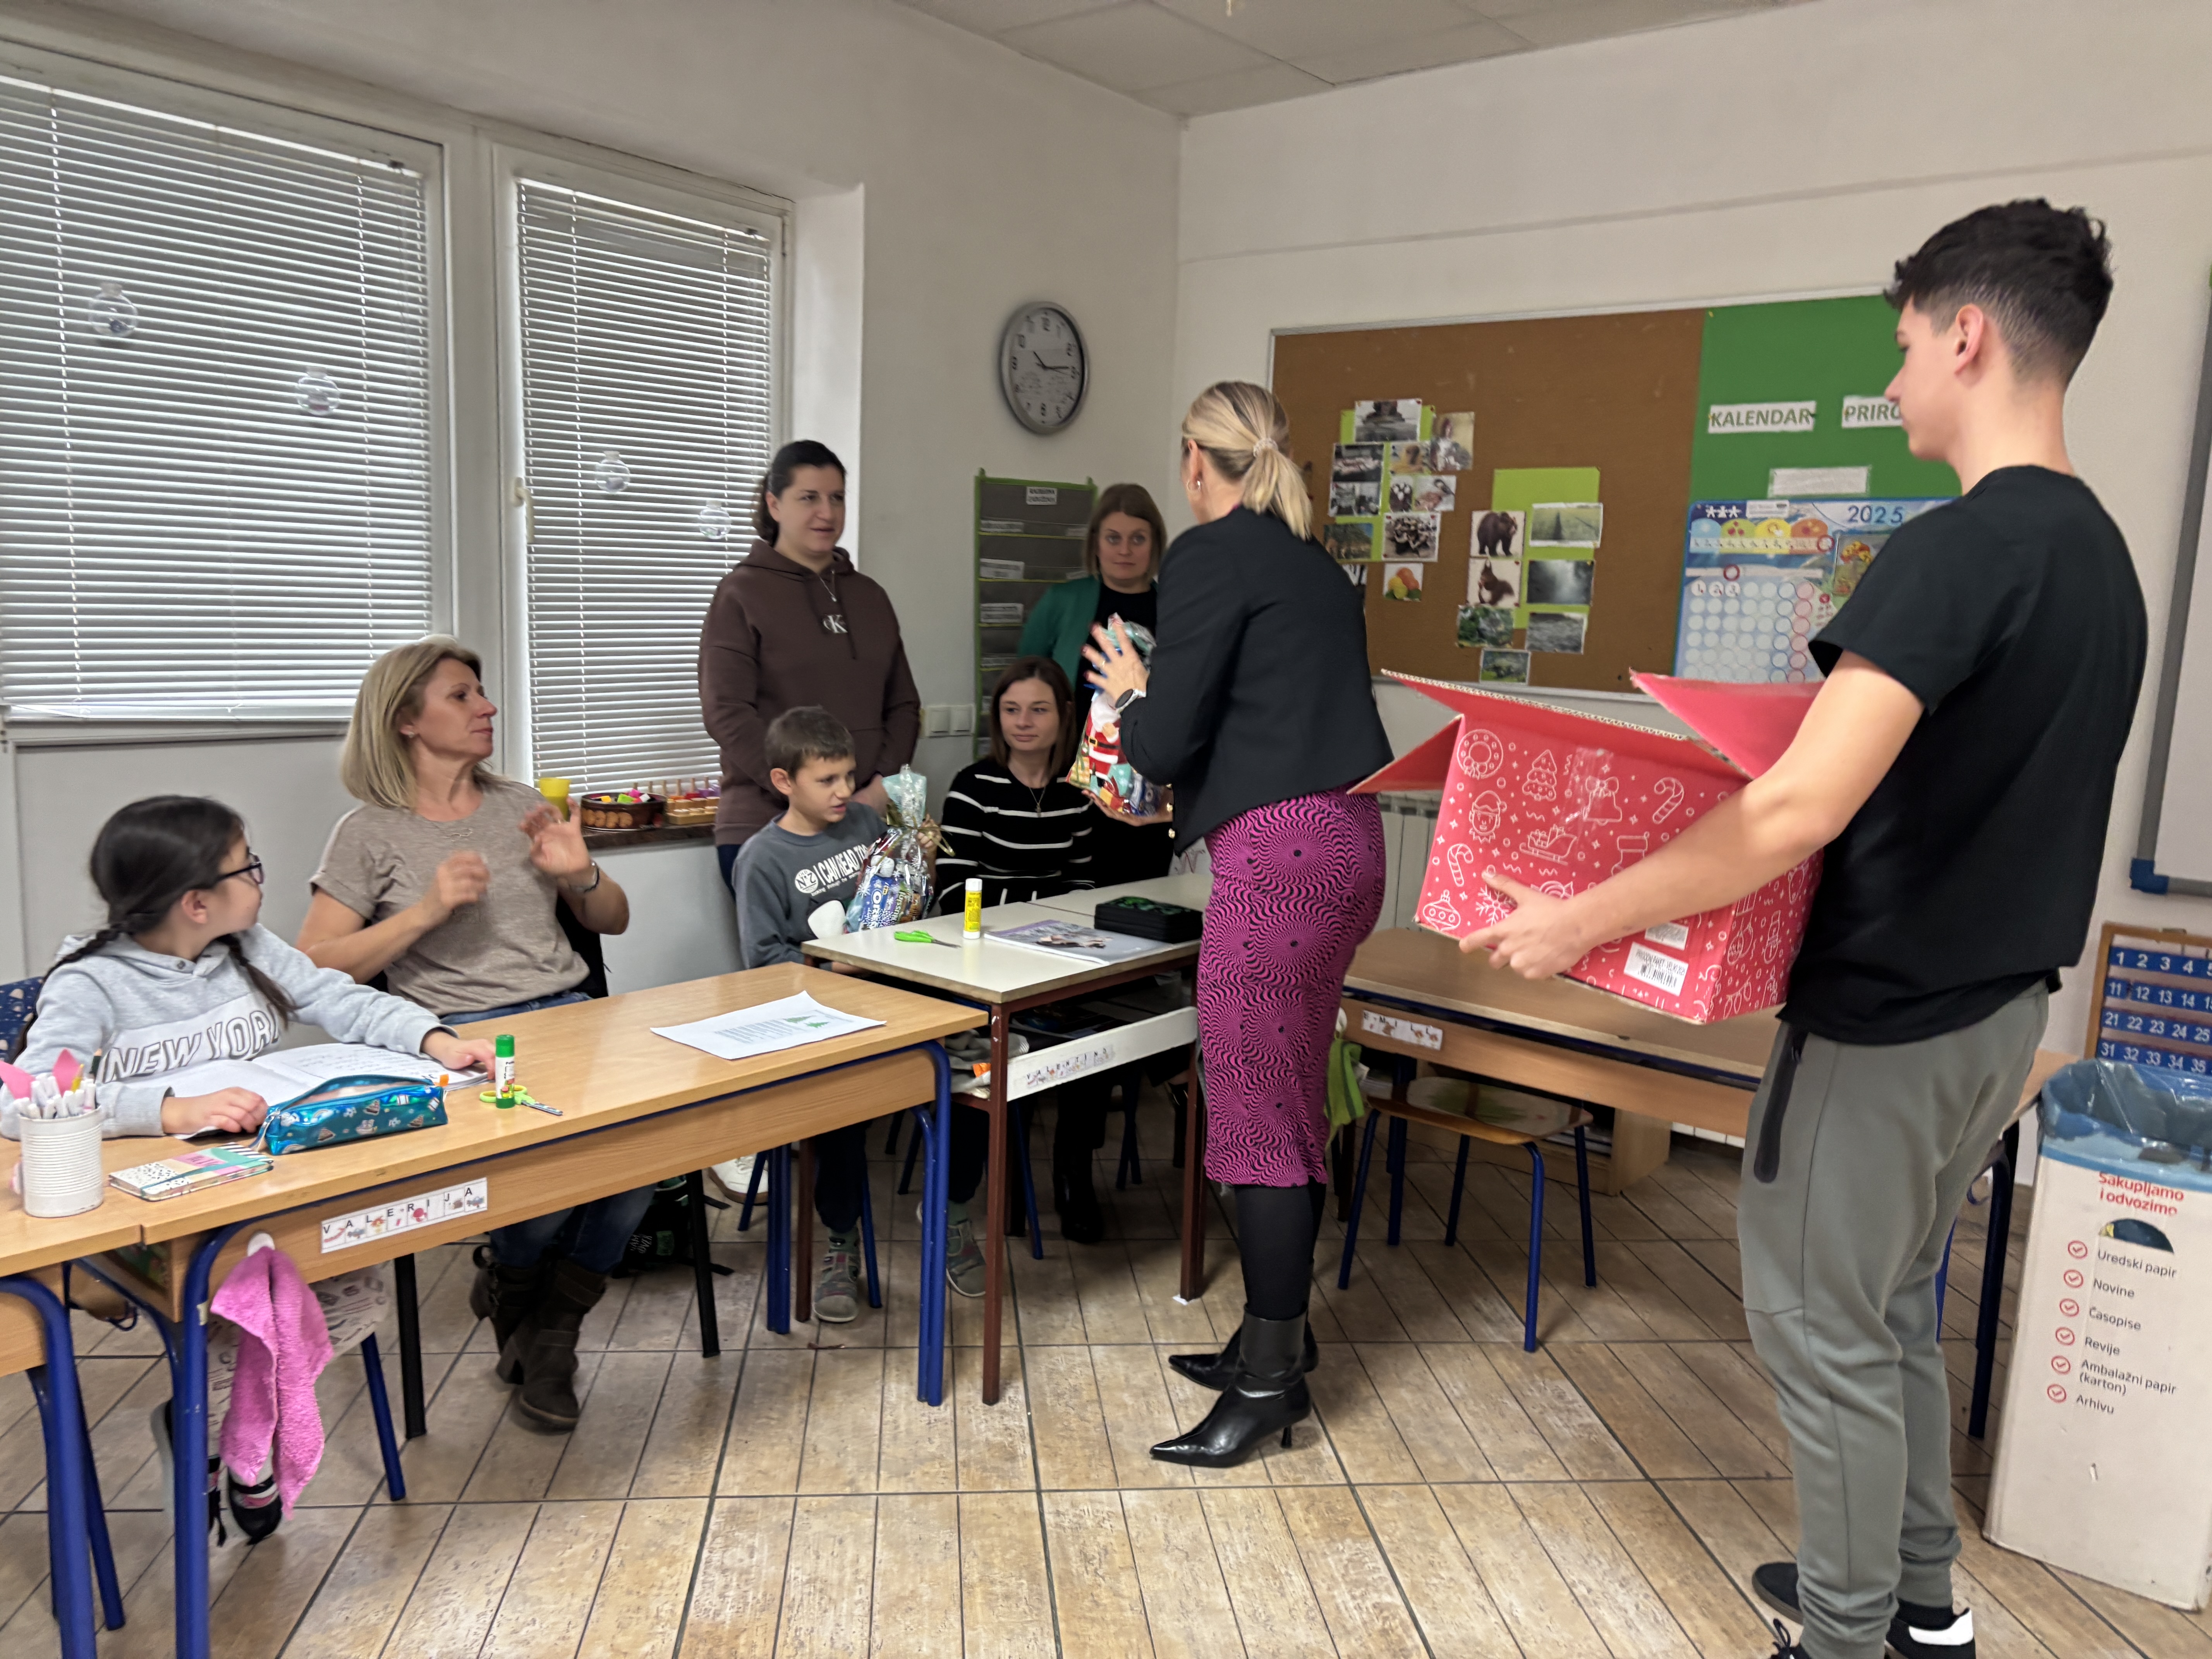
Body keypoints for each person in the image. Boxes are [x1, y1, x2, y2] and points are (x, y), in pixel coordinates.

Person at [1458, 202, 2145, 1659]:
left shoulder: (1957, 551)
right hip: (1997, 1014)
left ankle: (1840, 1635)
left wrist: (1577, 921)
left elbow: (1792, 809)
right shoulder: (2100, 559)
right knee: (1886, 1307)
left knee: (1817, 1324)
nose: (1892, 384)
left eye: (1901, 349)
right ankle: (1916, 1603)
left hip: (1888, 1020)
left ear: (1967, 336)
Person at [9, 795, 498, 1539]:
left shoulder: (249, 946)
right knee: (242, 1298)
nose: (262, 881)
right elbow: (28, 1098)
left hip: (269, 1178)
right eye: (250, 867)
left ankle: (210, 1424)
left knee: (359, 1294)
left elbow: (340, 998)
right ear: (196, 901)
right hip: (166, 1209)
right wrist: (167, 1106)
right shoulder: (92, 983)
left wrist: (436, 1040)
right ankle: (230, 1439)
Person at [1084, 381, 1393, 1468]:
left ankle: (1268, 1387)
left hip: (1280, 857)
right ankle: (1274, 1340)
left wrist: (1133, 688)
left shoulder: (1211, 554)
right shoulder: (1317, 565)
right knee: (1288, 1103)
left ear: (1194, 461)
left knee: (1259, 1121)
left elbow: (1165, 745)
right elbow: (1262, 710)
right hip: (1348, 842)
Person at [298, 637, 644, 1434]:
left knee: (644, 1155)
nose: (487, 707)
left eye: (481, 692)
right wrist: (424, 911)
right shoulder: (369, 832)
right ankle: (539, 1323)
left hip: (572, 1015)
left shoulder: (519, 801)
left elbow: (613, 919)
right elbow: (314, 966)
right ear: (405, 720)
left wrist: (580, 874)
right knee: (545, 1171)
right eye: (461, 695)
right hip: (466, 1040)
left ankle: (536, 1312)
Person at [731, 706, 992, 1310]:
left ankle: (952, 1214)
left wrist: (923, 863)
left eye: (849, 775)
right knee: (839, 1110)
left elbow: (913, 908)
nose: (844, 790)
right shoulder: (762, 859)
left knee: (978, 1075)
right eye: (827, 779)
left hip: (903, 1002)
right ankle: (840, 1242)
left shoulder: (869, 824)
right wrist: (839, 967)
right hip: (827, 1019)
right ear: (784, 781)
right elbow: (764, 964)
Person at [933, 657, 1109, 1241]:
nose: (1023, 723)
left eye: (1038, 710)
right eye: (1011, 710)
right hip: (981, 964)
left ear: (1064, 717)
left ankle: (1073, 1177)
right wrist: (1046, 906)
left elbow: (1085, 885)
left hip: (1056, 958)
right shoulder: (973, 787)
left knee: (1095, 1041)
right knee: (1006, 1055)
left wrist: (1042, 909)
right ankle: (1001, 1187)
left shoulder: (1076, 795)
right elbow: (955, 895)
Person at [701, 438, 921, 873]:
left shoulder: (870, 596)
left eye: (836, 498)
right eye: (809, 498)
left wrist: (880, 786)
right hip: (769, 830)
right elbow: (726, 712)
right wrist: (804, 793)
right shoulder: (740, 594)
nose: (827, 512)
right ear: (775, 504)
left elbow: (903, 705)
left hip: (865, 824)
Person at [1019, 483, 1175, 890]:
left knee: (1141, 890)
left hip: (1148, 786)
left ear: (1155, 544)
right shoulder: (1062, 602)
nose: (1125, 550)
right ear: (1096, 543)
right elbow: (1022, 684)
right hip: (1069, 778)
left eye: (1138, 539)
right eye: (1113, 538)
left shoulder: (1176, 609)